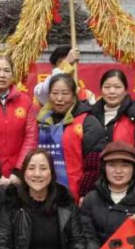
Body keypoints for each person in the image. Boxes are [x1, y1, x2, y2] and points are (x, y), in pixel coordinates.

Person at [36, 74, 108, 202]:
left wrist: (85, 194)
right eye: (55, 93)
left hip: (74, 197)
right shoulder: (41, 121)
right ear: (48, 96)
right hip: (41, 195)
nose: (59, 98)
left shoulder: (88, 122)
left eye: (65, 93)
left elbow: (94, 165)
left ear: (74, 96)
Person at [89, 69, 135, 188]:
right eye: (107, 87)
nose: (112, 91)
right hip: (97, 186)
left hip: (130, 184)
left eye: (117, 87)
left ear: (126, 90)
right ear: (101, 90)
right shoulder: (91, 116)